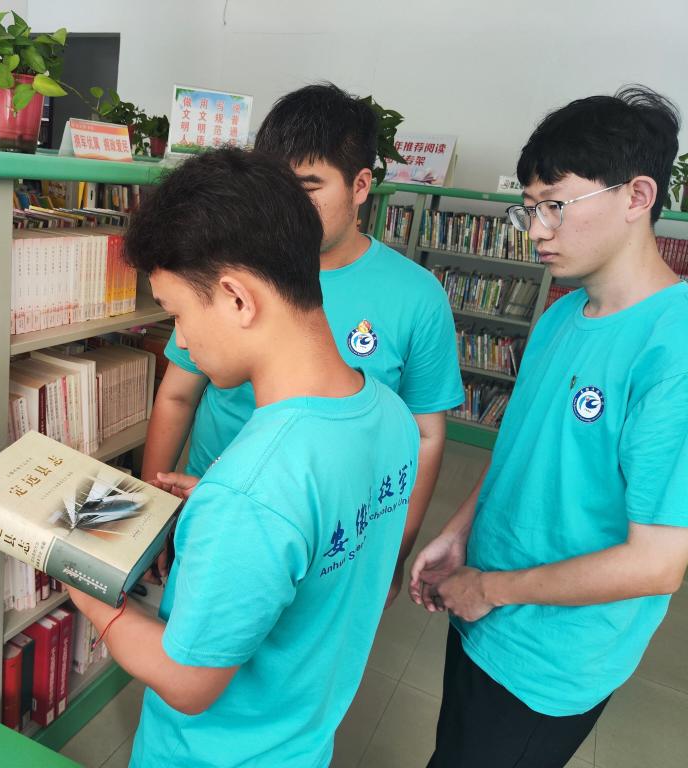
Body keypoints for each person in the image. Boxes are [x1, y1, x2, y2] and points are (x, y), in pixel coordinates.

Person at [66, 148, 419, 768]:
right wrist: (222, 506)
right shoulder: (389, 413)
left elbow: (189, 683)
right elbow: (317, 534)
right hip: (303, 743)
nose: (183, 339)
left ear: (236, 298)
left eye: (177, 314)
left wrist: (87, 592)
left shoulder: (252, 491)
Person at [410, 86, 688, 768]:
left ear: (637, 195)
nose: (536, 230)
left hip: (549, 660)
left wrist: (490, 589)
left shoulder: (673, 350)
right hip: (482, 608)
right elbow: (523, 448)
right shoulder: (563, 314)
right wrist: (460, 532)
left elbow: (657, 565)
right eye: (529, 208)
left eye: (555, 205)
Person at [140, 83, 462, 603]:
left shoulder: (416, 296)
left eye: (309, 186)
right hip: (213, 510)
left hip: (321, 534)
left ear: (360, 185)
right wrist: (154, 512)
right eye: (277, 187)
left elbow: (424, 435)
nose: (288, 206)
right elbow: (177, 394)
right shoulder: (231, 266)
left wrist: (392, 550)